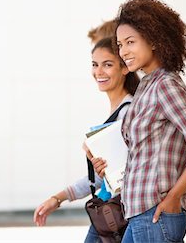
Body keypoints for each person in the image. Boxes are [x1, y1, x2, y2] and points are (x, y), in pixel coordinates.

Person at [93, 0, 186, 243]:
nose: (124, 51)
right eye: (120, 44)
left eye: (131, 42)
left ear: (153, 40)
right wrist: (108, 166)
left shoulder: (165, 84)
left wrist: (174, 195)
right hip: (139, 212)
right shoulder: (146, 86)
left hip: (156, 213)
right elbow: (146, 153)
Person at [33, 30, 139, 243]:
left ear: (125, 68)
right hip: (108, 210)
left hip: (120, 212)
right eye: (94, 64)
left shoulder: (127, 113)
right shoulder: (117, 112)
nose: (99, 71)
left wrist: (104, 167)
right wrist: (58, 198)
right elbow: (99, 179)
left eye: (107, 64)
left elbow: (129, 173)